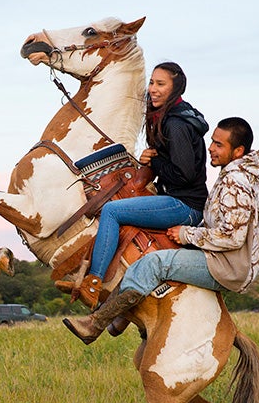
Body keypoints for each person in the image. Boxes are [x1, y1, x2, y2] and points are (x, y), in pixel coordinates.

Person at [63, 117, 259, 344]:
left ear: (238, 151)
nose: (210, 148)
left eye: (219, 145)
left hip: (227, 266)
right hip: (227, 259)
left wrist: (185, 234)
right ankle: (122, 316)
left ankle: (95, 324)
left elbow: (231, 236)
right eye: (212, 141)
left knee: (153, 264)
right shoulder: (242, 174)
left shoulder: (236, 182)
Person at [57, 62, 209, 309]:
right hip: (177, 198)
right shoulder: (170, 116)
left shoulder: (176, 124)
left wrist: (156, 160)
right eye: (152, 83)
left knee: (112, 210)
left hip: (185, 206)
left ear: (175, 88)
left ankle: (93, 284)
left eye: (161, 84)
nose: (153, 89)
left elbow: (184, 175)